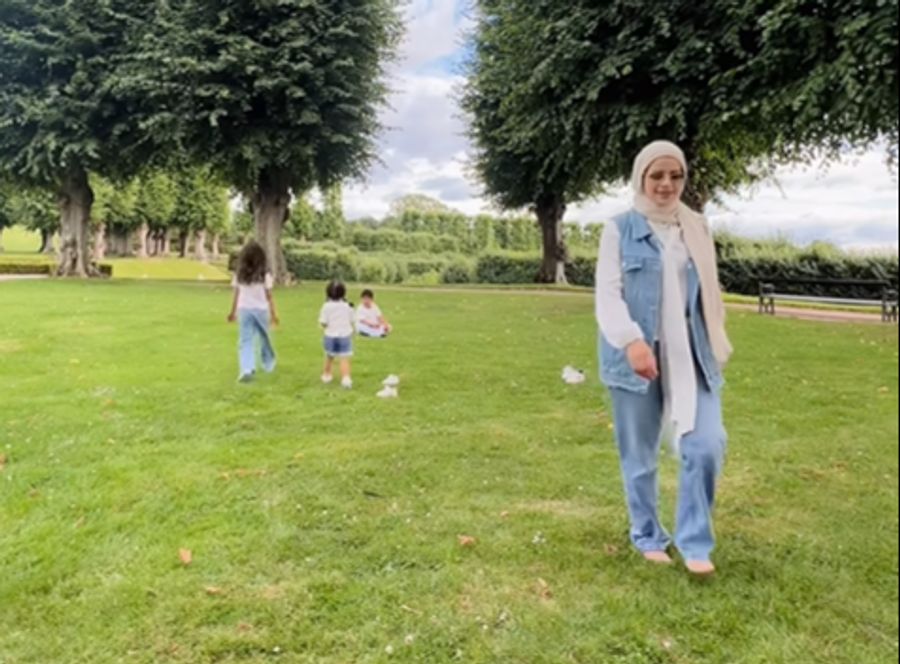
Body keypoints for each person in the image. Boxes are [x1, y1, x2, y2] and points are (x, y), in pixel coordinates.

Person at [595, 140, 733, 576]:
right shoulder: (619, 229)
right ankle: (648, 534)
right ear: (641, 178)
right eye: (657, 175)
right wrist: (631, 341)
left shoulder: (697, 228)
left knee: (707, 444)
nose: (666, 184)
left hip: (691, 354)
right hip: (634, 356)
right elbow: (608, 294)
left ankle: (695, 542)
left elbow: (708, 293)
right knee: (639, 454)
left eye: (675, 176)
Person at [227, 241, 279, 382]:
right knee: (264, 337)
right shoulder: (264, 275)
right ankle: (267, 363)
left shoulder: (240, 275)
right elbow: (269, 296)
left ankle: (247, 368)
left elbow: (236, 294)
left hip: (244, 310)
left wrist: (233, 312)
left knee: (245, 340)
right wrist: (274, 314)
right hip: (261, 310)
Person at [319, 280, 355, 389]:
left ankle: (326, 375)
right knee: (344, 357)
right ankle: (346, 378)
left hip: (330, 335)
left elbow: (323, 322)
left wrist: (325, 326)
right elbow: (352, 319)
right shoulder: (347, 306)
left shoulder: (326, 306)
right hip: (344, 335)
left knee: (329, 356)